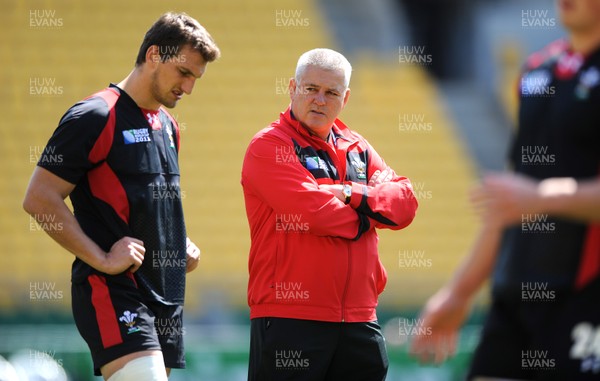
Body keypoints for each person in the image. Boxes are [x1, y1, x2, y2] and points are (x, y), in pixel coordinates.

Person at [22, 12, 220, 381]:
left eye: (195, 78)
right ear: (154, 55)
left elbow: (149, 205)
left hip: (164, 297)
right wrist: (101, 256)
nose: (189, 87)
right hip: (113, 291)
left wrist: (179, 245)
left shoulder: (168, 126)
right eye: (184, 73)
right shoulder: (94, 114)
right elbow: (39, 198)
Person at [410, 0, 600, 379]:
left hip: (586, 300)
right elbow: (510, 198)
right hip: (515, 296)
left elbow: (526, 194)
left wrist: (542, 196)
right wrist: (459, 292)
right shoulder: (535, 71)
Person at [241, 48, 418, 381]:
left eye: (331, 92)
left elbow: (406, 203)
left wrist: (349, 193)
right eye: (311, 89)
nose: (320, 100)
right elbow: (315, 214)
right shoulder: (268, 146)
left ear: (345, 98)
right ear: (292, 88)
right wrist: (372, 213)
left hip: (360, 320)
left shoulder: (358, 148)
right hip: (290, 319)